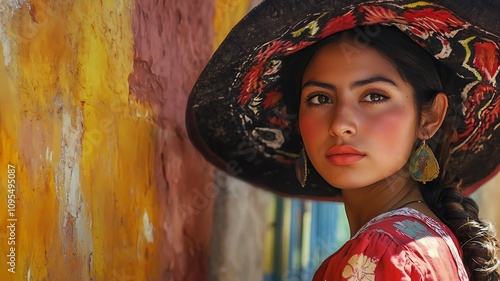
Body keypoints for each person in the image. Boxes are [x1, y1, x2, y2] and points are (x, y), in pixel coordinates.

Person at [186, 0, 500, 280]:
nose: (340, 125)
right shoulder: (430, 241)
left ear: (429, 117)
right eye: (320, 98)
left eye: (375, 96)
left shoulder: (381, 253)